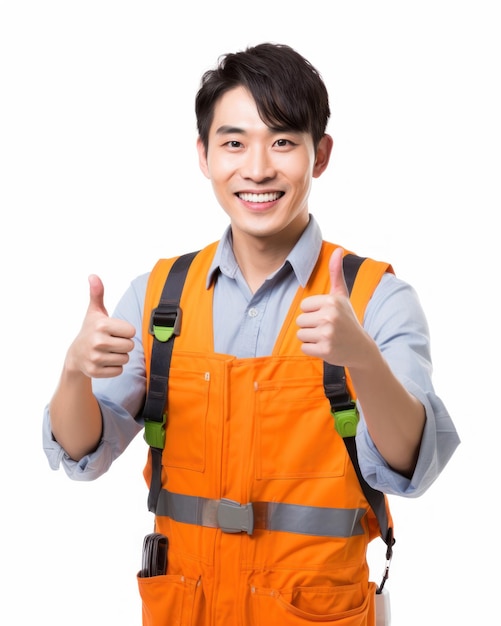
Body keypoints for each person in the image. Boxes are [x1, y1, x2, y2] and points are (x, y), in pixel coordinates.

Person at [43, 42, 460, 626]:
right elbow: (83, 452)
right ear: (204, 154)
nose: (258, 168)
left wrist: (360, 360)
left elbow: (411, 465)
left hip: (313, 612)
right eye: (234, 142)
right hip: (185, 608)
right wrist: (73, 373)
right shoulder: (160, 298)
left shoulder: (377, 299)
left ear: (321, 155)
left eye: (284, 141)